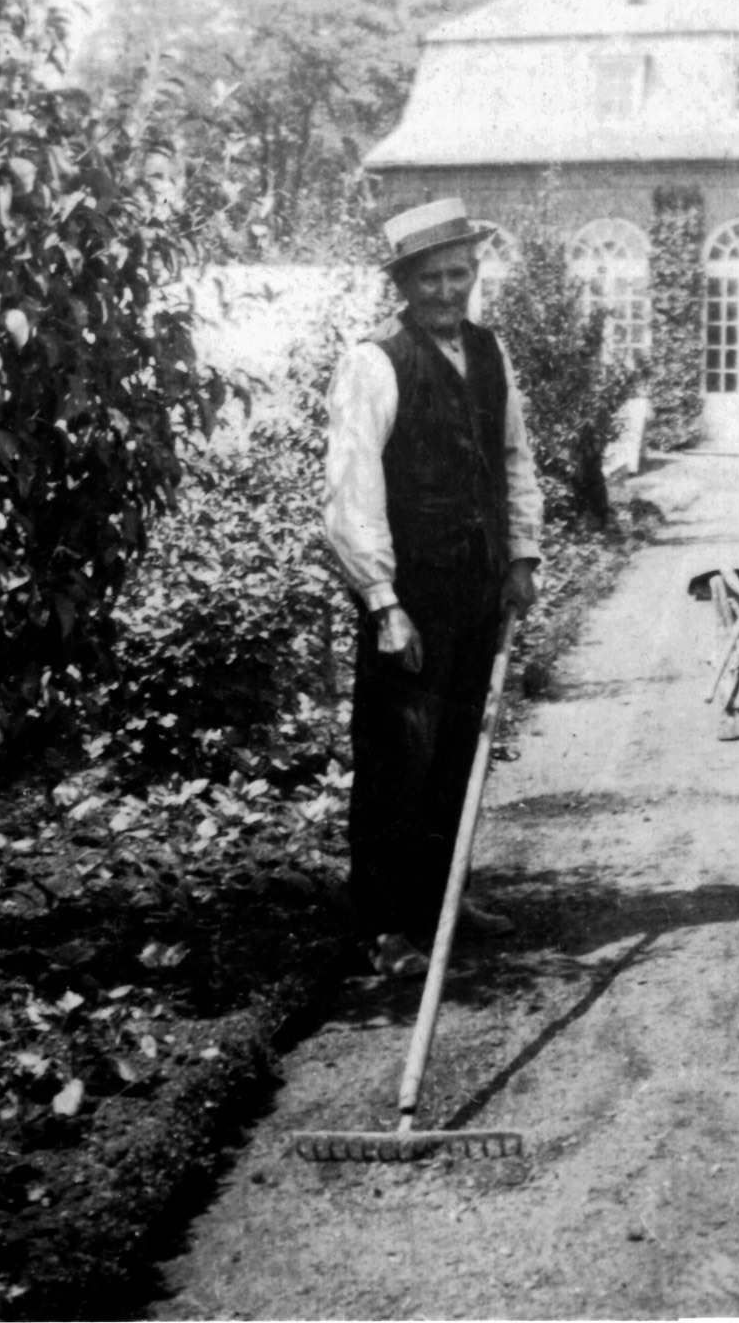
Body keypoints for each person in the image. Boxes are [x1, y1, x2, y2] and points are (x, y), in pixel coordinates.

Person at [324, 198, 543, 978]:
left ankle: (443, 901)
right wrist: (382, 601)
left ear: (474, 271)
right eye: (430, 279)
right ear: (404, 284)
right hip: (410, 599)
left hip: (479, 589)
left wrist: (521, 556)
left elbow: (513, 457)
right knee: (398, 759)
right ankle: (384, 925)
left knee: (457, 753)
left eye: (459, 273)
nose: (448, 290)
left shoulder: (490, 351)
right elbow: (352, 490)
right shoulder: (375, 362)